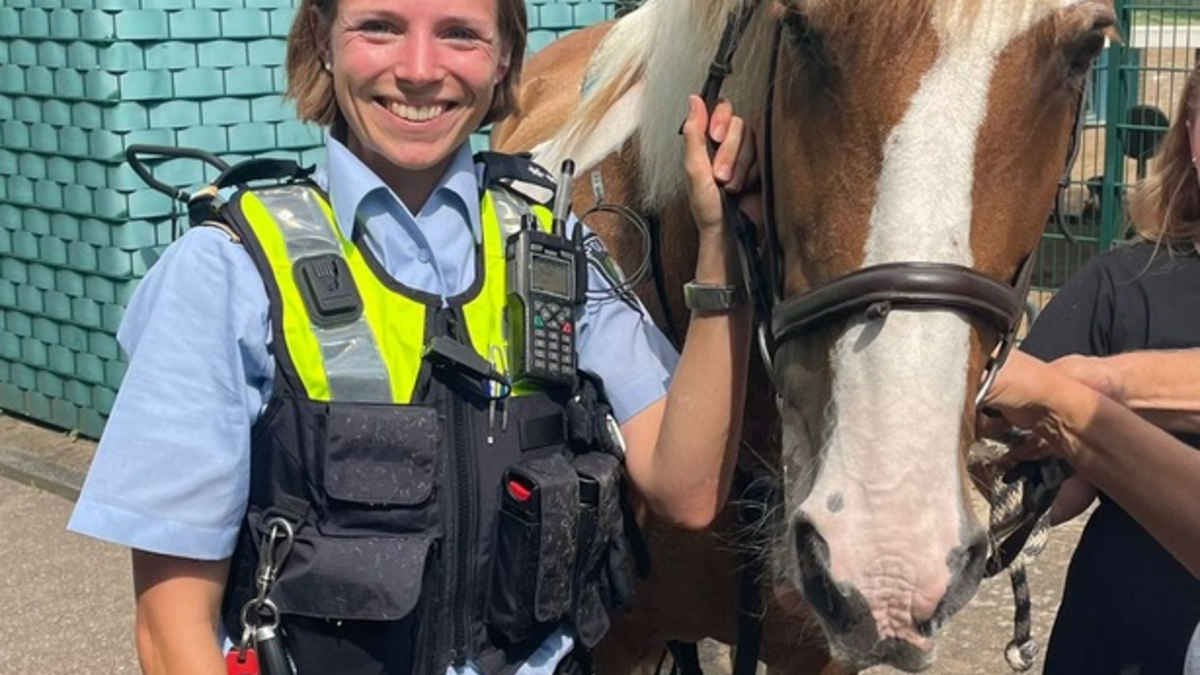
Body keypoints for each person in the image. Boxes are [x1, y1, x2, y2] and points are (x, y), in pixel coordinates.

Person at [66, 0, 760, 673]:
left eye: (460, 33)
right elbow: (170, 630)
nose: (421, 69)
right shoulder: (228, 270)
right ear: (323, 37)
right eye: (380, 27)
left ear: (504, 56)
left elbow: (687, 488)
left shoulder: (554, 251)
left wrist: (716, 243)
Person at [980, 64, 1200, 675]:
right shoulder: (1122, 283)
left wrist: (1094, 391)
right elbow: (1049, 488)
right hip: (1117, 636)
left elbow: (1064, 394)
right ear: (1190, 131)